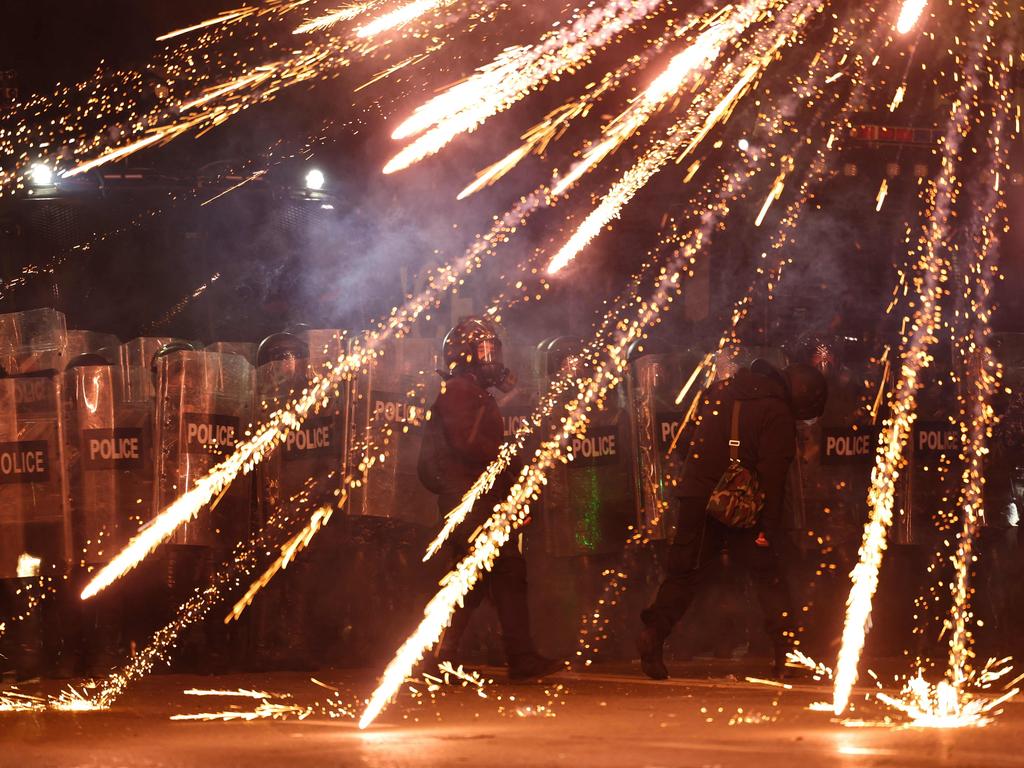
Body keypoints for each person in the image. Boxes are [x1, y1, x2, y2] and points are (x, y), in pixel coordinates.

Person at [637, 358, 827, 679]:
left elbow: (686, 441)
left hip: (697, 495)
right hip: (742, 504)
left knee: (683, 574)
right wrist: (768, 528)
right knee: (769, 579)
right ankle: (788, 656)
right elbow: (773, 477)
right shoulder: (775, 411)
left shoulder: (718, 392)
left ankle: (653, 634)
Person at [419, 317, 560, 681]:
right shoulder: (459, 391)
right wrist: (508, 462)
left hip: (478, 496)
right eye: (483, 351)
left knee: (492, 576)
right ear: (464, 355)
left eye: (493, 350)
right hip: (468, 497)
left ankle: (507, 655)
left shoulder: (472, 392)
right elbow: (470, 444)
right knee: (481, 576)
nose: (491, 359)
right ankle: (442, 656)